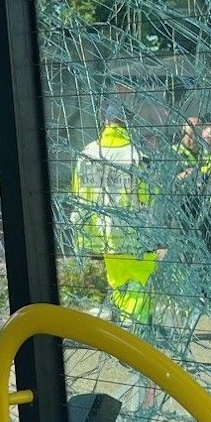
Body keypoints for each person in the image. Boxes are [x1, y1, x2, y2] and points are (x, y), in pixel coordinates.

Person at [71, 114, 159, 324]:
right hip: (134, 234)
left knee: (118, 280)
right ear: (127, 125)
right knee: (141, 281)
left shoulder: (87, 153)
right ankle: (137, 331)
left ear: (106, 123)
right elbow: (148, 195)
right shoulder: (136, 155)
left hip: (103, 233)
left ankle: (124, 330)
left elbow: (79, 192)